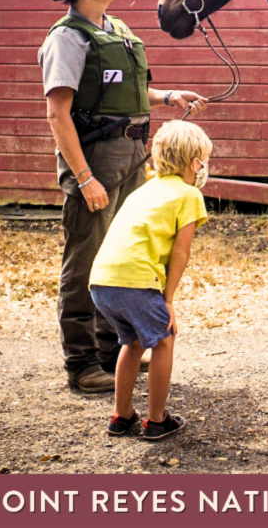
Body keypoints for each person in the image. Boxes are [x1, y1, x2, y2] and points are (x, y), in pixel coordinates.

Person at [37, 0, 207, 393]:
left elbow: (129, 92)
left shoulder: (116, 30)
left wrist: (168, 96)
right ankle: (82, 363)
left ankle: (114, 352)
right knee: (85, 263)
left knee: (124, 258)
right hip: (95, 164)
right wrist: (85, 178)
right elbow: (58, 114)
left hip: (133, 160)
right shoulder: (67, 40)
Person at [89, 120, 211, 439]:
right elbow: (180, 254)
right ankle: (157, 421)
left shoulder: (144, 190)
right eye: (202, 160)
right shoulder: (189, 195)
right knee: (164, 338)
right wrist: (168, 301)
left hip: (102, 281)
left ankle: (122, 416)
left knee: (132, 343)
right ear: (193, 163)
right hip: (135, 281)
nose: (203, 167)